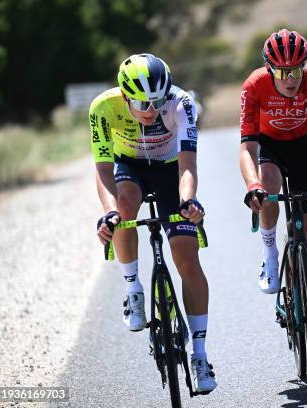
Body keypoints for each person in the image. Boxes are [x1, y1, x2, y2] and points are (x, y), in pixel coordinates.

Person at [90, 53, 216, 392]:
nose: (152, 110)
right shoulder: (103, 108)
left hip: (170, 168)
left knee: (187, 258)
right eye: (143, 103)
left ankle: (200, 354)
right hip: (128, 165)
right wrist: (109, 212)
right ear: (126, 95)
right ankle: (133, 289)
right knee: (125, 206)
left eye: (157, 102)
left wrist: (188, 201)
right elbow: (103, 170)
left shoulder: (181, 103)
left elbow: (188, 164)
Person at [239, 29, 307, 362]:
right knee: (268, 183)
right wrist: (252, 185)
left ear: (305, 66)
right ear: (270, 69)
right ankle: (271, 254)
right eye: (283, 72)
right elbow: (247, 148)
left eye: (296, 71)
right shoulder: (254, 85)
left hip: (305, 152)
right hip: (270, 149)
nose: (290, 79)